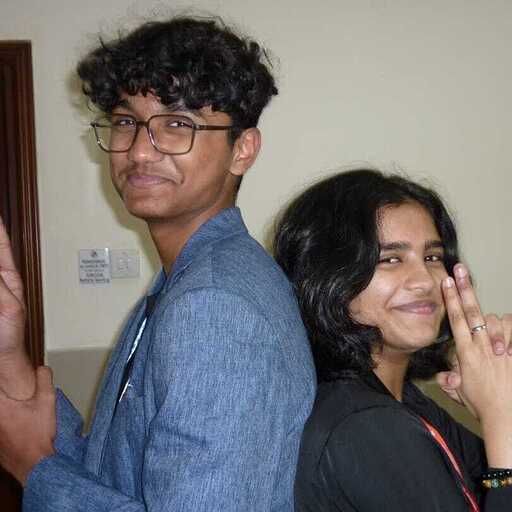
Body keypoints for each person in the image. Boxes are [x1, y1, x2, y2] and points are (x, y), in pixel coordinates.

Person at [0, 16, 316, 511]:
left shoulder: (215, 305)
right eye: (127, 122)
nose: (141, 151)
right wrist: (9, 356)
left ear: (242, 150)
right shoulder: (184, 280)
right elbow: (111, 470)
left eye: (177, 124)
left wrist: (33, 468)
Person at [273, 169, 512, 511]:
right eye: (391, 259)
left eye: (432, 257)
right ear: (331, 277)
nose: (425, 280)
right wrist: (502, 422)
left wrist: (497, 394)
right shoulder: (365, 426)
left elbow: (491, 485)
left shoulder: (401, 399)